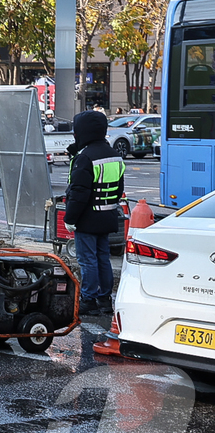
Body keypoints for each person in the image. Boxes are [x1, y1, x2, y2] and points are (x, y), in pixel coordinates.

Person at [65, 110, 125, 314]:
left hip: (87, 218)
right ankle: (105, 300)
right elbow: (119, 189)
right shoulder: (115, 156)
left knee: (87, 260)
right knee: (103, 258)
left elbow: (79, 193)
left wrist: (70, 218)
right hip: (108, 215)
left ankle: (88, 300)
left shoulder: (85, 157)